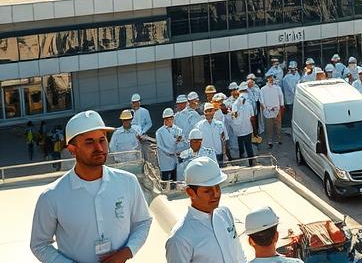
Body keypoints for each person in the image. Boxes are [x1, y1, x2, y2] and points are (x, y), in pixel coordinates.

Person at [29, 111, 152, 263]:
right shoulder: (51, 196)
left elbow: (143, 222)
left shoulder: (127, 182)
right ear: (72, 150)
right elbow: (39, 244)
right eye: (89, 142)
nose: (99, 147)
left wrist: (126, 253)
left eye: (102, 140)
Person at [165, 156, 246, 263]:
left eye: (217, 187)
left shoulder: (225, 214)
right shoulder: (179, 239)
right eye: (208, 191)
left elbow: (239, 256)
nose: (216, 194)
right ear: (190, 192)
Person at [156, 108, 186, 181]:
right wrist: (171, 152)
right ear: (164, 119)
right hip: (165, 160)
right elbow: (160, 146)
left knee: (175, 180)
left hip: (176, 160)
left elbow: (183, 143)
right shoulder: (159, 132)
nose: (169, 121)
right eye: (167, 119)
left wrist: (179, 142)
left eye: (171, 118)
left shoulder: (178, 130)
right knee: (165, 181)